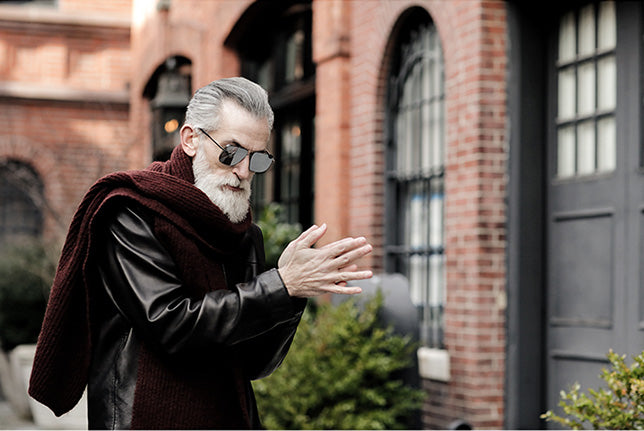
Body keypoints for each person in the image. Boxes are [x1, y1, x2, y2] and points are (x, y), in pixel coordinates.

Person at [28, 77, 373, 429]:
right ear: (191, 139)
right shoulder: (132, 212)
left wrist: (292, 293)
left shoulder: (245, 234)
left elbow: (255, 364)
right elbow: (170, 324)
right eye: (231, 152)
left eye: (257, 160)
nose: (243, 172)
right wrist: (279, 286)